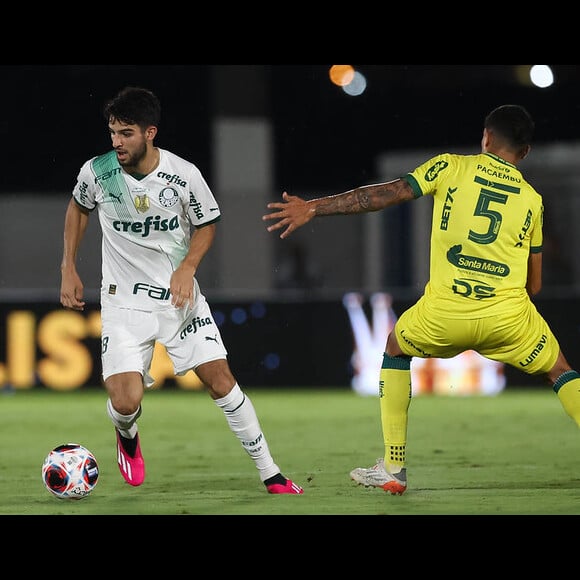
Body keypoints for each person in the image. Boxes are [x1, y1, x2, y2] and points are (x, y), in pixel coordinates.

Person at [262, 104, 580, 495]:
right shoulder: (533, 200)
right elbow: (535, 285)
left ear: (486, 137)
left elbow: (385, 195)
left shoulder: (451, 167)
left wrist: (313, 207)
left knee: (395, 347)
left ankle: (394, 467)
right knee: (560, 369)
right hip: (508, 318)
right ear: (526, 152)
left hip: (444, 314)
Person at [60, 86, 303, 495]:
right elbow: (77, 209)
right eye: (113, 132)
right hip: (123, 303)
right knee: (124, 401)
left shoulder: (184, 174)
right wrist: (68, 266)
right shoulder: (97, 171)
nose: (116, 142)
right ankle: (127, 434)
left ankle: (271, 472)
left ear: (150, 132)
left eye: (126, 133)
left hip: (179, 301)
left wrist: (188, 267)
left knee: (221, 381)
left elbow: (207, 223)